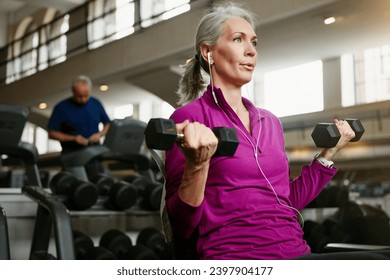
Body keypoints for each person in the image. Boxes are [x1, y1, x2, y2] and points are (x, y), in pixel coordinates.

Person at [163, 1, 389, 260]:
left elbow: (285, 202)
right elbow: (181, 225)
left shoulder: (269, 122)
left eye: (254, 43)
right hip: (237, 259)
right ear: (208, 52)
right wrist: (197, 164)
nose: (251, 51)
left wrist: (328, 155)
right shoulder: (189, 119)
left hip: (295, 253)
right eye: (238, 40)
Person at [47, 75, 111, 176]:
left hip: (93, 152)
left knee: (99, 181)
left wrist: (99, 134)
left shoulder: (96, 103)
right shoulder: (61, 108)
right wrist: (73, 138)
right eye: (80, 96)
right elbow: (52, 133)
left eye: (86, 96)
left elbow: (107, 124)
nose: (83, 99)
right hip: (72, 153)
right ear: (73, 92)